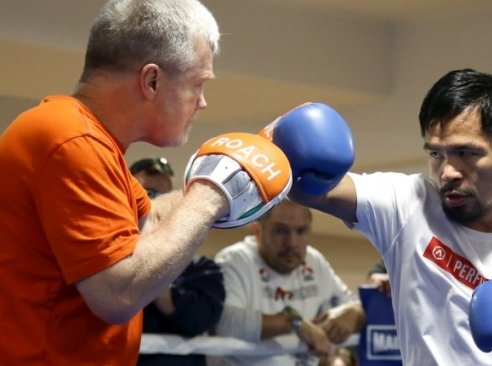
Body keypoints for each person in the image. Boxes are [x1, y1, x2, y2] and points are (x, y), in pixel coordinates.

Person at [259, 70, 492, 365]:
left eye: (466, 153)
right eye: (436, 153)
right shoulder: (408, 203)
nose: (447, 171)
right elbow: (309, 189)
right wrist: (274, 141)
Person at [0, 1, 290, 364]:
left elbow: (148, 218)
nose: (201, 102)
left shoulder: (87, 140)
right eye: (197, 84)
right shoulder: (70, 140)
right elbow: (117, 294)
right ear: (151, 80)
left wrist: (242, 169)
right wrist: (213, 192)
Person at [212, 199, 366, 366]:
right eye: (280, 231)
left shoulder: (313, 261)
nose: (292, 243)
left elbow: (352, 306)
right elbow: (222, 322)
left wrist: (355, 311)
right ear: (257, 230)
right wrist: (293, 323)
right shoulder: (235, 261)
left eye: (301, 231)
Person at [130, 157, 225, 366]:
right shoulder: (101, 263)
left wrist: (149, 268)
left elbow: (200, 320)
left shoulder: (203, 270)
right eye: (147, 194)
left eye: (165, 196)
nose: (156, 205)